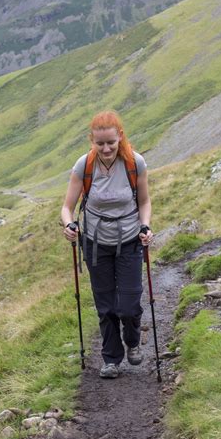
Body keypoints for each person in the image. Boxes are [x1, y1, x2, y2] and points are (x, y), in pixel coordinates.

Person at [61, 110, 153, 379]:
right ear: (92, 141)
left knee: (129, 305)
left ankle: (133, 341)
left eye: (111, 142)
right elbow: (67, 207)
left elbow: (144, 201)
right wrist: (69, 225)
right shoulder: (84, 166)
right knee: (106, 304)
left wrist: (146, 226)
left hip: (129, 241)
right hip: (95, 242)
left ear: (120, 137)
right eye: (99, 143)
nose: (106, 148)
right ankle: (111, 358)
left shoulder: (135, 163)